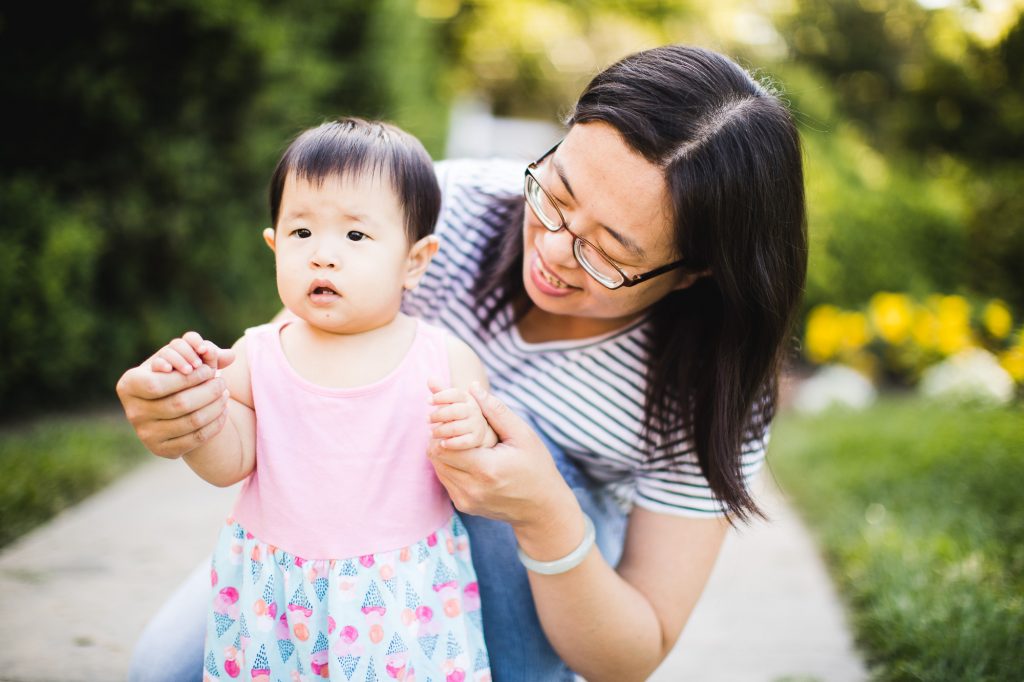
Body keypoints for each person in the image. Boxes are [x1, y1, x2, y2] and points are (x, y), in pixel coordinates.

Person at [117, 45, 807, 682]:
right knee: (164, 671)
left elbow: (633, 652)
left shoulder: (705, 388)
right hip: (337, 545)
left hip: (527, 569)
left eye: (610, 253)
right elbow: (282, 365)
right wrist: (190, 410)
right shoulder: (445, 208)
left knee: (505, 434)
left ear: (695, 273)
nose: (556, 251)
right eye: (556, 194)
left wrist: (543, 512)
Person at [140, 117, 495, 681]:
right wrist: (199, 410)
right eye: (302, 234)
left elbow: (479, 474)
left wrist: (473, 440)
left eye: (355, 236)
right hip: (275, 598)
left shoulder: (442, 359)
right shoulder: (256, 354)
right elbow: (230, 462)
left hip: (402, 599)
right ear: (274, 243)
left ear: (415, 260)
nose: (323, 255)